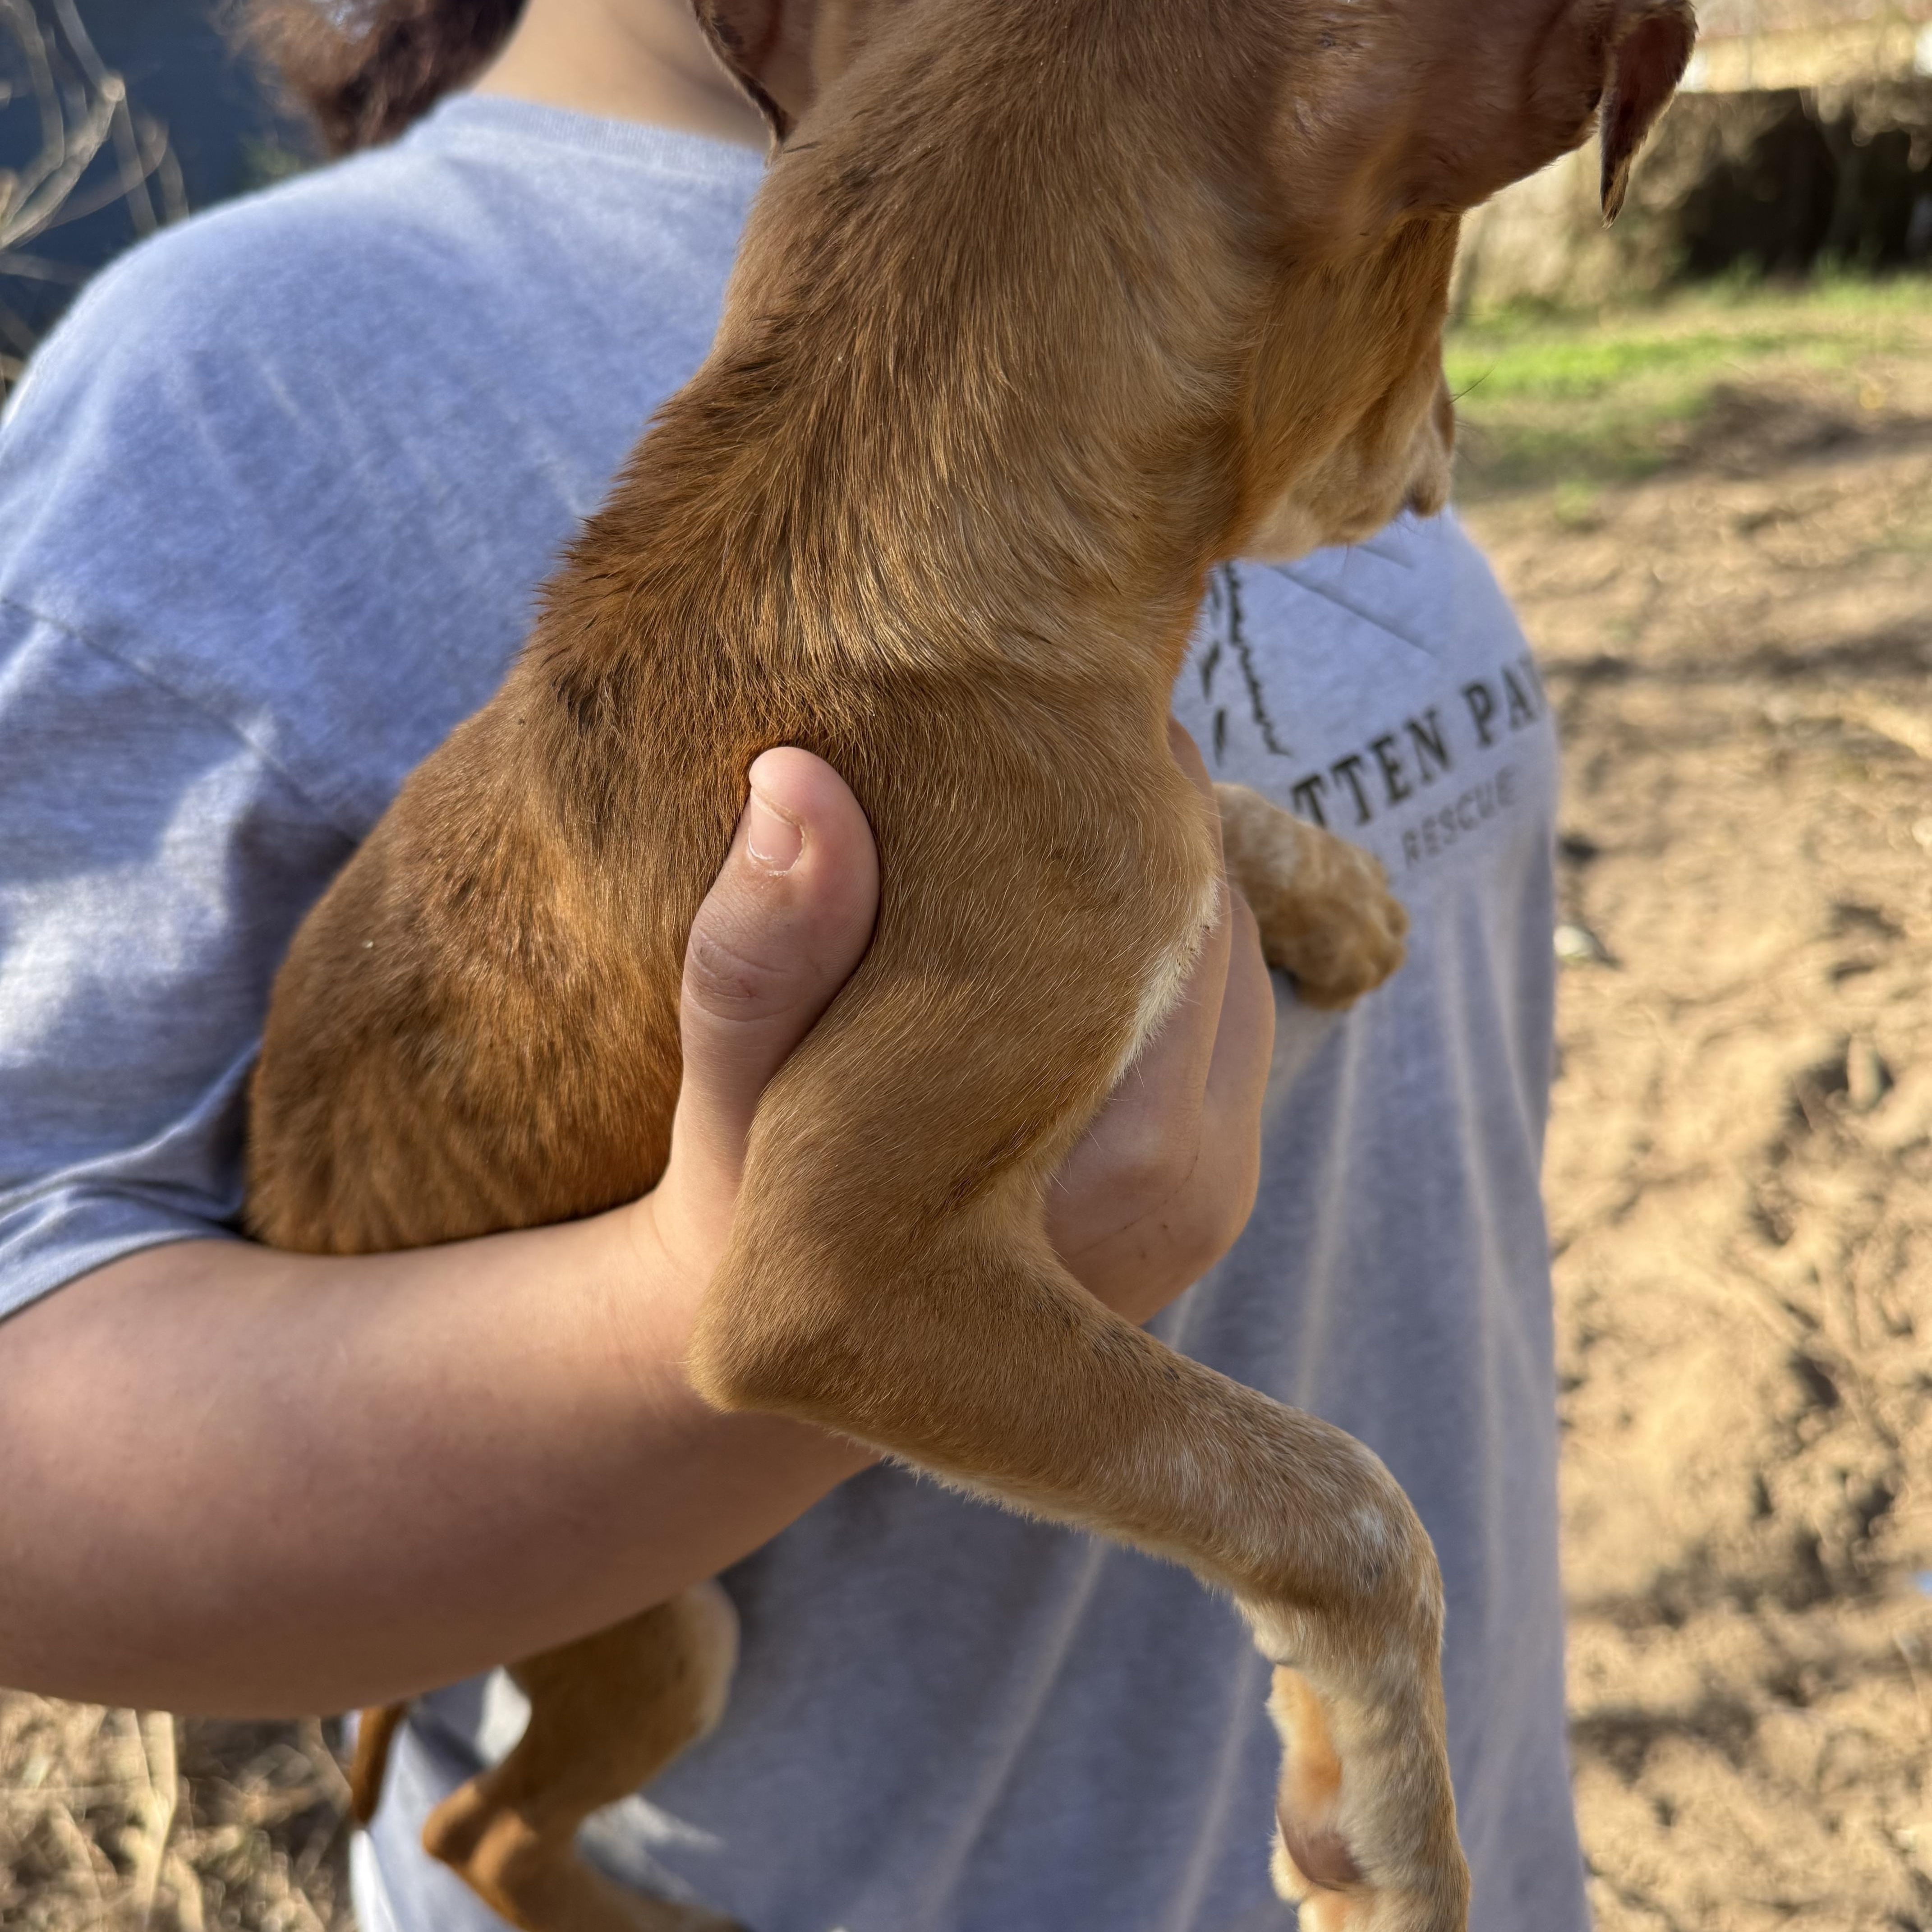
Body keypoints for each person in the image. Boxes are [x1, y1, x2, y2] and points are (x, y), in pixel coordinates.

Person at [0, 1, 1586, 1927]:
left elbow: (1062, 777)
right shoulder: (227, 377)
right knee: (663, 1682)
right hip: (883, 1857)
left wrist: (1218, 852)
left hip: (1475, 1814)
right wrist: (762, 1283)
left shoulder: (1191, 126)